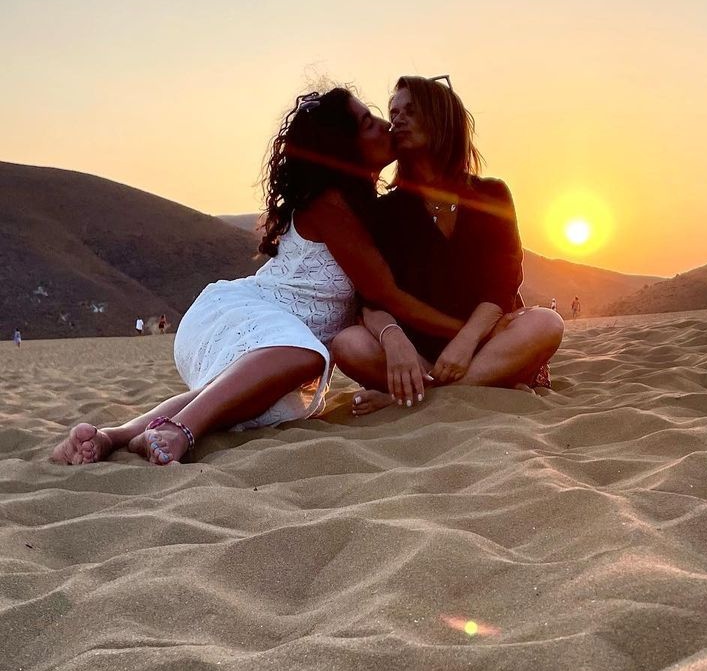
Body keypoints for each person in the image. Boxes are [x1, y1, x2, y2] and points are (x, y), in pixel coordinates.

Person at [51, 85, 462, 465]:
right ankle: (180, 431)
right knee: (302, 358)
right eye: (369, 123)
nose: (386, 125)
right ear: (345, 147)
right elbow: (384, 292)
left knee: (228, 397)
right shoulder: (329, 204)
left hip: (274, 339)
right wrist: (466, 333)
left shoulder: (363, 206)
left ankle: (114, 436)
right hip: (244, 313)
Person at [332, 75, 563, 413]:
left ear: (442, 118)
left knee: (547, 322)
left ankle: (423, 396)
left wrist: (466, 341)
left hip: (485, 340)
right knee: (347, 343)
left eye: (411, 110)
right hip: (420, 351)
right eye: (394, 113)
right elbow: (372, 298)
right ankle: (471, 386)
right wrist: (394, 340)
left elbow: (502, 285)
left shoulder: (491, 194)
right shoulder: (385, 211)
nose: (397, 119)